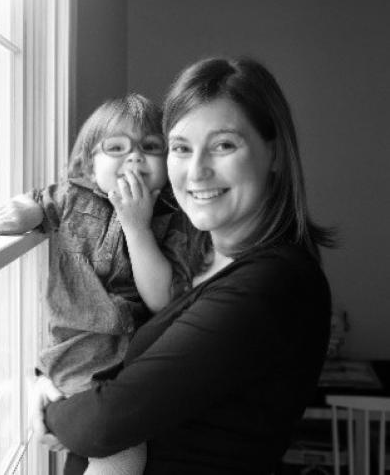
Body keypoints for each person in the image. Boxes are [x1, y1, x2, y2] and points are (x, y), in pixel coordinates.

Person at [35, 56, 334, 475]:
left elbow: (103, 425)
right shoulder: (194, 255)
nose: (197, 171)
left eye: (224, 145)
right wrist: (50, 380)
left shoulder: (272, 283)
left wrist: (49, 408)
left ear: (274, 153)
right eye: (180, 147)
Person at [0, 94, 203, 475]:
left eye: (150, 147)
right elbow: (38, 201)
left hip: (129, 371)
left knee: (123, 454)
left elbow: (162, 300)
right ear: (89, 164)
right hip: (72, 361)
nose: (134, 158)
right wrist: (22, 212)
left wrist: (137, 224)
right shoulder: (71, 197)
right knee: (116, 453)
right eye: (117, 148)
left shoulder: (174, 217)